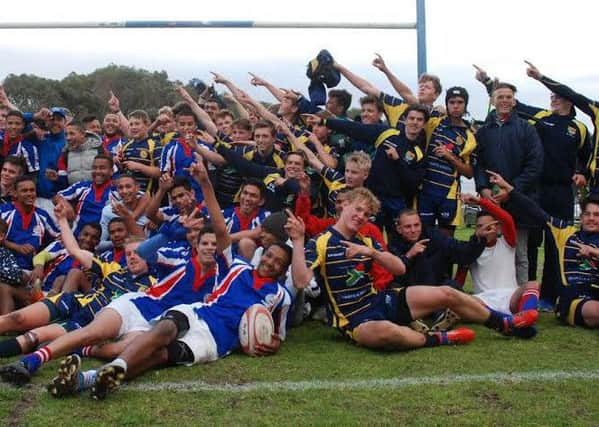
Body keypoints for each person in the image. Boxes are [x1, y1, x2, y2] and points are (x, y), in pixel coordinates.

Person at [47, 158, 296, 400]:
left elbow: (277, 335)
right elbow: (220, 227)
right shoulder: (238, 267)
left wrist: (272, 344)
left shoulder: (281, 296)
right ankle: (117, 367)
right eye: (269, 256)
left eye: (278, 262)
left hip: (216, 340)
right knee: (164, 328)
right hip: (197, 312)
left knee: (161, 356)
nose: (270, 262)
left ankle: (89, 378)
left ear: (283, 270)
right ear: (263, 254)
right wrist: (206, 184)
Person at [289, 187, 538, 352]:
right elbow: (301, 281)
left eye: (367, 214)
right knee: (388, 333)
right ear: (344, 206)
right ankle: (439, 338)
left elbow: (398, 268)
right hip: (354, 318)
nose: (361, 216)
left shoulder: (366, 240)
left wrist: (373, 253)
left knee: (447, 293)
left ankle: (504, 325)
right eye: (358, 209)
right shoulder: (321, 241)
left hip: (382, 300)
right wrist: (299, 241)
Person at [475, 63, 591, 309]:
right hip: (536, 190)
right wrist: (487, 83)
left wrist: (581, 173)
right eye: (552, 97)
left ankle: (554, 293)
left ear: (569, 100)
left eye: (558, 97)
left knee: (558, 242)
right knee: (533, 241)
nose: (554, 100)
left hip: (562, 192)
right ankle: (531, 293)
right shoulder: (540, 118)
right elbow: (508, 102)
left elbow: (586, 155)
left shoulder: (579, 128)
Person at [0, 201, 155, 384]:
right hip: (72, 301)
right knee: (16, 318)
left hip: (86, 323)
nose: (131, 257)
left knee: (33, 337)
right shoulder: (113, 268)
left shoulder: (154, 286)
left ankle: (34, 360)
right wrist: (63, 220)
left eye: (137, 253)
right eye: (128, 254)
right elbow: (74, 250)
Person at [489, 170, 599, 329]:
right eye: (587, 214)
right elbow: (535, 211)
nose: (591, 218)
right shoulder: (565, 233)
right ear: (581, 217)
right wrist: (508, 187)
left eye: (596, 215)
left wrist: (593, 252)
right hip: (575, 297)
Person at [473, 82, 544, 285]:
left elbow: (535, 165)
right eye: (500, 97)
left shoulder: (527, 129)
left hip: (520, 201)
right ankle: (495, 293)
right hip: (492, 202)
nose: (504, 100)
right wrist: (483, 187)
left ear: (514, 101)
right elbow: (477, 163)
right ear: (493, 100)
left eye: (508, 97)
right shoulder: (484, 132)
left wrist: (510, 190)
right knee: (492, 250)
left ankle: (521, 298)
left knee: (520, 254)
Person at [460, 189, 540, 336]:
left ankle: (523, 316)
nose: (485, 230)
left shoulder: (507, 242)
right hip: (483, 301)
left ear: (498, 228)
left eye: (489, 226)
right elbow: (459, 282)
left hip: (510, 298)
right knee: (467, 300)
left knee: (532, 285)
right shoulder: (470, 249)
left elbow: (508, 219)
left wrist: (480, 201)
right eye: (480, 226)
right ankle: (514, 323)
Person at [418, 87, 477, 236]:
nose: (455, 106)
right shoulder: (434, 122)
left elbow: (469, 173)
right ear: (446, 104)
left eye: (460, 102)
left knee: (446, 242)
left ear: (465, 105)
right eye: (451, 102)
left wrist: (450, 157)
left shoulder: (470, 135)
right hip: (425, 190)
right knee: (422, 237)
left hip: (448, 194)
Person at [0, 176, 59, 271]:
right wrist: (16, 247)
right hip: (4, 266)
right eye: (24, 191)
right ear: (15, 193)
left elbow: (60, 240)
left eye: (32, 190)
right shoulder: (3, 211)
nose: (29, 194)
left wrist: (40, 260)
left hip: (31, 271)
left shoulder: (42, 215)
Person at [53, 154, 114, 237]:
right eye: (94, 168)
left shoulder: (117, 190)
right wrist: (65, 204)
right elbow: (57, 196)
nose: (97, 171)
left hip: (103, 241)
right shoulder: (82, 186)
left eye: (102, 168)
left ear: (111, 171)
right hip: (77, 238)